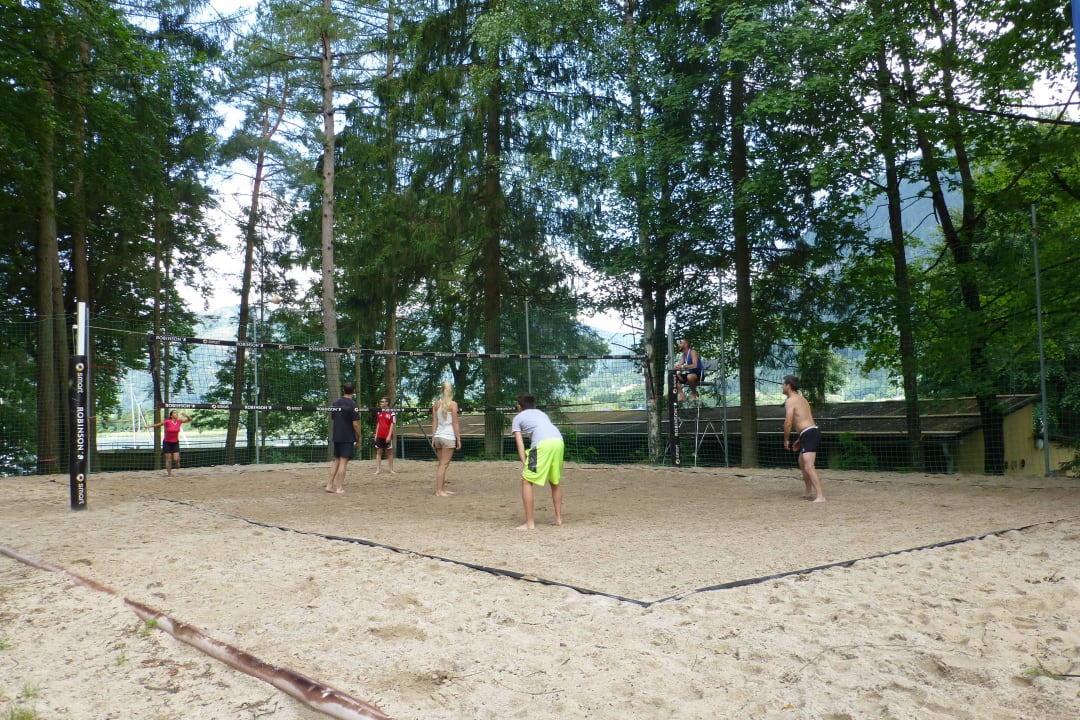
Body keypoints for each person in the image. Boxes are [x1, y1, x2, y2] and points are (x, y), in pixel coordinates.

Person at [511, 393, 565, 530]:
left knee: (526, 481)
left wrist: (524, 463)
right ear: (534, 405)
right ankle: (558, 519)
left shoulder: (518, 418)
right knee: (555, 481)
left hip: (541, 445)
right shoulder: (542, 414)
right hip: (558, 441)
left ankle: (529, 523)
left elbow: (520, 443)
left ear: (519, 406)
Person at [782, 374, 825, 502]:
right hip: (809, 433)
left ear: (788, 386)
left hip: (809, 433)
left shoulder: (791, 401)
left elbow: (788, 422)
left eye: (783, 384)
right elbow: (806, 420)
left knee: (809, 466)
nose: (782, 387)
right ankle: (808, 493)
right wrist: (801, 439)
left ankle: (820, 496)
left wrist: (786, 439)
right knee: (802, 462)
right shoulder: (802, 399)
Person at [326, 381, 361, 494]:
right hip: (347, 436)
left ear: (343, 390)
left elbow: (334, 419)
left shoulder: (335, 403)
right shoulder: (353, 405)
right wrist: (359, 436)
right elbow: (355, 424)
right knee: (343, 462)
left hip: (337, 435)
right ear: (354, 391)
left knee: (336, 461)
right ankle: (339, 487)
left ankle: (329, 485)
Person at [431, 381, 461, 496]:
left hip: (438, 436)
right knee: (444, 465)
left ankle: (442, 488)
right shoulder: (453, 404)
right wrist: (458, 439)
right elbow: (455, 423)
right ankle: (439, 490)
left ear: (441, 390)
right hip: (448, 437)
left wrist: (433, 438)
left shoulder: (436, 404)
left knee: (441, 464)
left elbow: (434, 422)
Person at [151, 409, 192, 476]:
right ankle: (169, 474)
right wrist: (150, 426)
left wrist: (186, 415)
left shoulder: (179, 421)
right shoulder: (167, 422)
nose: (176, 414)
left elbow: (190, 419)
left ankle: (177, 463)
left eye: (177, 413)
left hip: (175, 442)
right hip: (167, 442)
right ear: (171, 415)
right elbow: (158, 424)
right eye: (174, 413)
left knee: (176, 459)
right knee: (168, 459)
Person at [674, 338, 705, 403]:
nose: (679, 345)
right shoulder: (683, 355)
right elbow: (679, 365)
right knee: (673, 376)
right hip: (690, 375)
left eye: (681, 343)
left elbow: (695, 365)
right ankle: (682, 395)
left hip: (699, 375)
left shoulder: (693, 352)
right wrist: (677, 368)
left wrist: (682, 366)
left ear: (686, 344)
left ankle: (694, 393)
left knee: (689, 376)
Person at [373, 396, 396, 475]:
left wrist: (389, 436)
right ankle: (378, 470)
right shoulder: (379, 412)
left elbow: (392, 424)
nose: (381, 403)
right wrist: (376, 434)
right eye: (381, 401)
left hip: (387, 435)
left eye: (383, 401)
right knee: (378, 452)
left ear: (387, 403)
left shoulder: (392, 412)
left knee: (389, 453)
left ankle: (391, 470)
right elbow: (378, 423)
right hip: (380, 435)